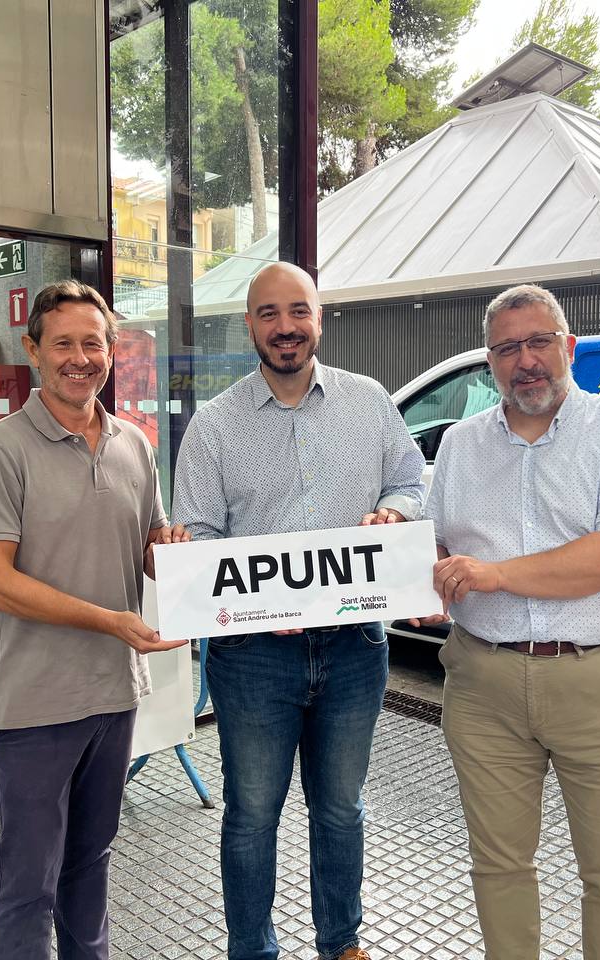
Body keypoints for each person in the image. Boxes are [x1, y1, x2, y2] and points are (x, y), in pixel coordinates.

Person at [173, 262, 426, 960]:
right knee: (252, 814)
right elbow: (198, 535)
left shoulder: (369, 402)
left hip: (354, 645)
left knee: (341, 808)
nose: (285, 327)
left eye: (298, 311)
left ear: (319, 318)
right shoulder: (214, 427)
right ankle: (252, 950)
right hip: (254, 656)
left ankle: (341, 944)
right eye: (269, 314)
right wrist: (256, 606)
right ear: (249, 325)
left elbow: (411, 481)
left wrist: (394, 511)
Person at [420, 283, 600, 960]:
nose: (525, 360)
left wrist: (494, 574)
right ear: (489, 362)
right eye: (507, 348)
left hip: (599, 680)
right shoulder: (459, 444)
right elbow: (434, 546)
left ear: (570, 346)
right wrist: (412, 573)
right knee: (498, 865)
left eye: (539, 341)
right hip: (483, 684)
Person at [0, 280, 188, 960]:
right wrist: (110, 621)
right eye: (63, 344)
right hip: (35, 704)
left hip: (114, 693)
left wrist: (174, 553)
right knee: (27, 886)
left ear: (112, 352)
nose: (80, 358)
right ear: (33, 350)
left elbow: (147, 550)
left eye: (94, 343)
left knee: (90, 868)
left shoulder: (134, 445)